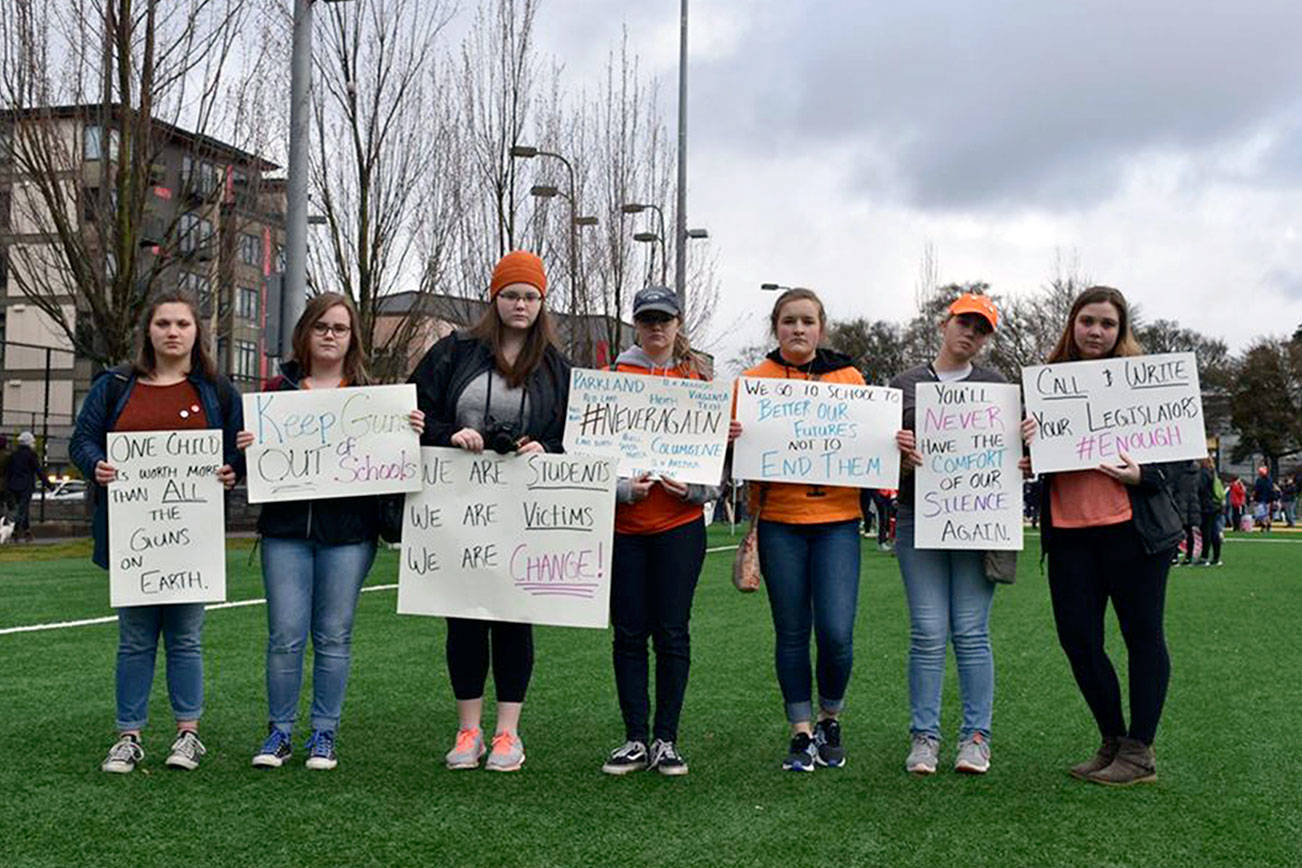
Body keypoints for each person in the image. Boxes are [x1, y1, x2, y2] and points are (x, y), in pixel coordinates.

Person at [240, 293, 425, 771]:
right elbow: (246, 469)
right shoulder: (274, 394)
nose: (329, 335)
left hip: (349, 534)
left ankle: (324, 733)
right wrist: (244, 447)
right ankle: (279, 732)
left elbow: (396, 462)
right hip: (284, 533)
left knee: (334, 635)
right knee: (284, 635)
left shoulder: (373, 396)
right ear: (305, 332)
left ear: (352, 339)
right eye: (321, 326)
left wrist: (409, 433)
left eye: (340, 328)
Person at [409, 250, 570, 773]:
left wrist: (547, 448)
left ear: (542, 302)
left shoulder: (555, 366)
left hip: (522, 509)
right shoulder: (454, 352)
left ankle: (507, 734)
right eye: (511, 295)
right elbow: (411, 412)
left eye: (530, 296)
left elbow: (576, 436)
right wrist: (447, 434)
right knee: (463, 619)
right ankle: (468, 729)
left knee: (513, 618)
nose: (520, 304)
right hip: (459, 503)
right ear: (494, 298)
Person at [69, 289, 243, 774]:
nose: (172, 332)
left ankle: (188, 736)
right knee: (134, 641)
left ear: (196, 332)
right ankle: (129, 736)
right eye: (163, 323)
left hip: (193, 540)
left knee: (186, 639)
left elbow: (239, 449)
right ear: (148, 330)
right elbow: (80, 440)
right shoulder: (115, 385)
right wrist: (95, 465)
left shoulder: (215, 389)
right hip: (133, 540)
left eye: (182, 324)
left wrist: (232, 468)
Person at [1030, 286, 1183, 786]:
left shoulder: (1144, 384)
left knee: (1142, 637)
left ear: (1122, 332)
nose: (1096, 331)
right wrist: (1027, 450)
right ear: (1072, 324)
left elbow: (1180, 457)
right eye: (1088, 321)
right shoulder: (1043, 384)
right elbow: (1032, 459)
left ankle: (1140, 750)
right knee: (1078, 640)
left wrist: (1145, 474)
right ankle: (1114, 740)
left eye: (1108, 324)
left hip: (1131, 532)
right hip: (1070, 533)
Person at [728, 287, 865, 772]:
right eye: (789, 321)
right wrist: (729, 440)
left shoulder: (849, 377)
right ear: (776, 327)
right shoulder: (752, 381)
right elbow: (727, 456)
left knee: (836, 632)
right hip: (781, 522)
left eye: (808, 321)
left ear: (821, 328)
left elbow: (867, 441)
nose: (799, 329)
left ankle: (831, 715)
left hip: (838, 522)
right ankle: (800, 730)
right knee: (791, 631)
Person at [892, 292, 1029, 776]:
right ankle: (924, 737)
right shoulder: (905, 383)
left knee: (971, 633)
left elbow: (1017, 457)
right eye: (964, 323)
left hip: (979, 520)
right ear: (943, 324)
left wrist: (1028, 440)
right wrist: (898, 447)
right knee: (928, 632)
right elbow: (881, 455)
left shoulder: (998, 387)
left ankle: (976, 737)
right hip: (918, 517)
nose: (970, 334)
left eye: (982, 328)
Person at [600, 287, 719, 777]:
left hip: (679, 526)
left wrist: (695, 490)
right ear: (635, 324)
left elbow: (716, 474)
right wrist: (620, 489)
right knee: (628, 634)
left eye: (663, 320)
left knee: (672, 632)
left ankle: (666, 738)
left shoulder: (700, 381)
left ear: (677, 324)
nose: (656, 328)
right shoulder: (609, 380)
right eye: (647, 319)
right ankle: (634, 737)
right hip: (624, 527)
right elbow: (586, 459)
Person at [3, 431, 47, 542]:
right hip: (26, 485)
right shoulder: (31, 455)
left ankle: (26, 530)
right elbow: (38, 470)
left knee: (22, 508)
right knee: (22, 509)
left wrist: (7, 485)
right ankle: (16, 530)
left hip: (13, 485)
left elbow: (8, 472)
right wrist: (48, 484)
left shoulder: (13, 455)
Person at [1170, 461, 1201, 565]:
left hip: (1179, 503)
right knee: (1190, 532)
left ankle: (1174, 557)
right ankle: (1189, 556)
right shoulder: (1197, 473)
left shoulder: (1178, 472)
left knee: (1176, 532)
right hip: (1193, 503)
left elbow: (1173, 487)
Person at [1196, 458, 1224, 567]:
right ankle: (1216, 557)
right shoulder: (1213, 472)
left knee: (1206, 532)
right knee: (1214, 532)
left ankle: (1204, 557)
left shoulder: (1203, 473)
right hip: (1214, 505)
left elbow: (1200, 489)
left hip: (1206, 506)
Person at [1253, 466, 1274, 532]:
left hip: (1261, 499)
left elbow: (1256, 490)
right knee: (1266, 513)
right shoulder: (1269, 480)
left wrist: (1254, 498)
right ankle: (1268, 525)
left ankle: (1264, 525)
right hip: (1268, 499)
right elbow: (1271, 489)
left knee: (1262, 514)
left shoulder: (1259, 480)